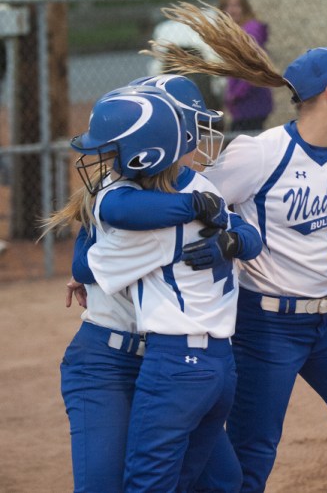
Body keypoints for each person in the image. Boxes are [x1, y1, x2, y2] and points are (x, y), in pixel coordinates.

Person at [144, 1, 327, 493]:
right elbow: (190, 205)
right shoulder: (260, 153)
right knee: (251, 462)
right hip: (264, 327)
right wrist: (220, 241)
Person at [44, 78, 248, 492]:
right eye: (189, 127)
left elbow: (244, 232)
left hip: (168, 362)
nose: (198, 137)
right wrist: (191, 213)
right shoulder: (127, 201)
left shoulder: (188, 187)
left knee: (221, 481)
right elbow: (87, 262)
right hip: (111, 359)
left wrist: (230, 241)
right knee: (106, 485)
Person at [218, 0, 274, 132]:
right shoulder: (235, 31)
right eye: (228, 6)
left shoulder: (250, 31)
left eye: (236, 5)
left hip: (251, 100)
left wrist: (236, 95)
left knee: (234, 146)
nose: (232, 10)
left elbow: (253, 67)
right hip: (243, 102)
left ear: (244, 8)